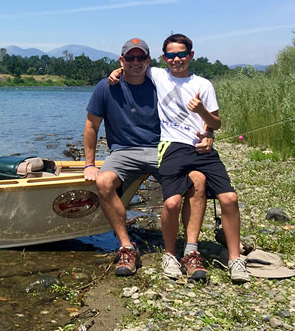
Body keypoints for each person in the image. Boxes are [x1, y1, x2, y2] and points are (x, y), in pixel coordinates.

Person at [84, 38, 210, 278]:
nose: (135, 62)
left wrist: (208, 134)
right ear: (121, 61)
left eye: (140, 57)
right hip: (122, 151)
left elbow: (193, 109)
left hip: (161, 149)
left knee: (197, 180)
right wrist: (90, 164)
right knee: (103, 182)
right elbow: (92, 125)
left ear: (148, 61)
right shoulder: (106, 87)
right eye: (129, 58)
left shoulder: (160, 83)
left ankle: (190, 251)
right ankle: (127, 247)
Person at [148, 33, 249, 283]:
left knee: (230, 197)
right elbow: (132, 64)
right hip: (172, 147)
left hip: (202, 149)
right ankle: (170, 255)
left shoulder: (203, 84)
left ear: (191, 55)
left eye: (182, 54)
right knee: (172, 203)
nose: (176, 59)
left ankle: (235, 259)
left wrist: (202, 113)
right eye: (170, 55)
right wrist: (116, 73)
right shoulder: (158, 75)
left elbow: (216, 122)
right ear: (164, 58)